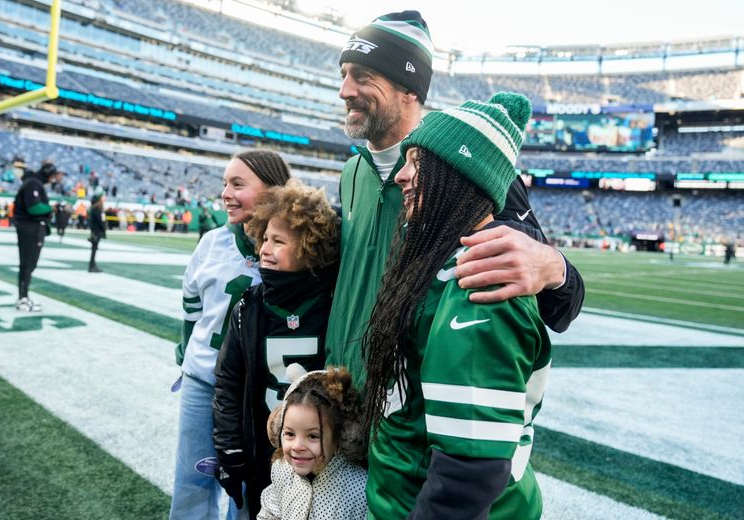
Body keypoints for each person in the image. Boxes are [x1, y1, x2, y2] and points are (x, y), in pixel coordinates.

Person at [327, 11, 583, 390]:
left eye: (363, 76)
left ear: (410, 89)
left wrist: (553, 266)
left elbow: (561, 303)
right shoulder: (352, 171)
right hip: (337, 393)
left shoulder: (465, 174)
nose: (345, 90)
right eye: (344, 74)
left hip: (406, 409)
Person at [363, 94, 551, 519]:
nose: (401, 175)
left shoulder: (479, 287)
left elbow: (468, 473)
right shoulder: (444, 262)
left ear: (457, 173)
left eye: (417, 163)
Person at [171, 151, 292, 520]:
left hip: (253, 389)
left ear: (272, 190)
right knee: (193, 477)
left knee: (248, 487)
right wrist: (187, 351)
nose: (226, 193)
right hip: (203, 379)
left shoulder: (289, 247)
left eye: (238, 184)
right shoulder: (211, 242)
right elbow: (191, 305)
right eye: (225, 183)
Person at [212, 180, 340, 520]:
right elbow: (228, 382)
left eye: (278, 241)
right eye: (264, 239)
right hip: (264, 457)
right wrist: (229, 448)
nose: (265, 249)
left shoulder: (332, 302)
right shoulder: (249, 307)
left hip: (323, 459)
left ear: (310, 248)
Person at [257, 366, 367, 520]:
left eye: (313, 436)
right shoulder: (282, 470)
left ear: (340, 436)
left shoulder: (360, 489)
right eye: (290, 434)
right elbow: (270, 512)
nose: (297, 446)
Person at [13, 162, 62, 312]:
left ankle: (24, 297)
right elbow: (34, 208)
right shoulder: (33, 184)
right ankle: (23, 298)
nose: (53, 179)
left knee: (28, 264)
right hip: (31, 228)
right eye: (53, 176)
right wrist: (51, 208)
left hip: (30, 227)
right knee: (28, 263)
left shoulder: (32, 182)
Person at [88, 190, 107, 273]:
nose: (104, 198)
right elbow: (100, 221)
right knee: (94, 249)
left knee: (94, 249)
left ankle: (93, 265)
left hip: (96, 230)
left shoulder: (96, 207)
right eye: (103, 197)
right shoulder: (97, 208)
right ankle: (92, 266)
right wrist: (103, 228)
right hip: (96, 231)